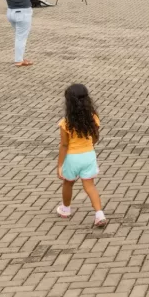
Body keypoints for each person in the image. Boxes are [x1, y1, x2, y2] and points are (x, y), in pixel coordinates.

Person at [56, 84, 108, 228]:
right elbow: (95, 137)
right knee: (90, 186)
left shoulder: (66, 123)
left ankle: (66, 209)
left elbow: (64, 145)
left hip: (73, 158)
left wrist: (60, 165)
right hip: (88, 155)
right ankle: (99, 214)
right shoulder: (93, 118)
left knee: (68, 182)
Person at [0, 0, 37, 67]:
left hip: (12, 13)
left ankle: (20, 58)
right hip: (22, 13)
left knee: (19, 36)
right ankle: (18, 60)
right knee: (21, 38)